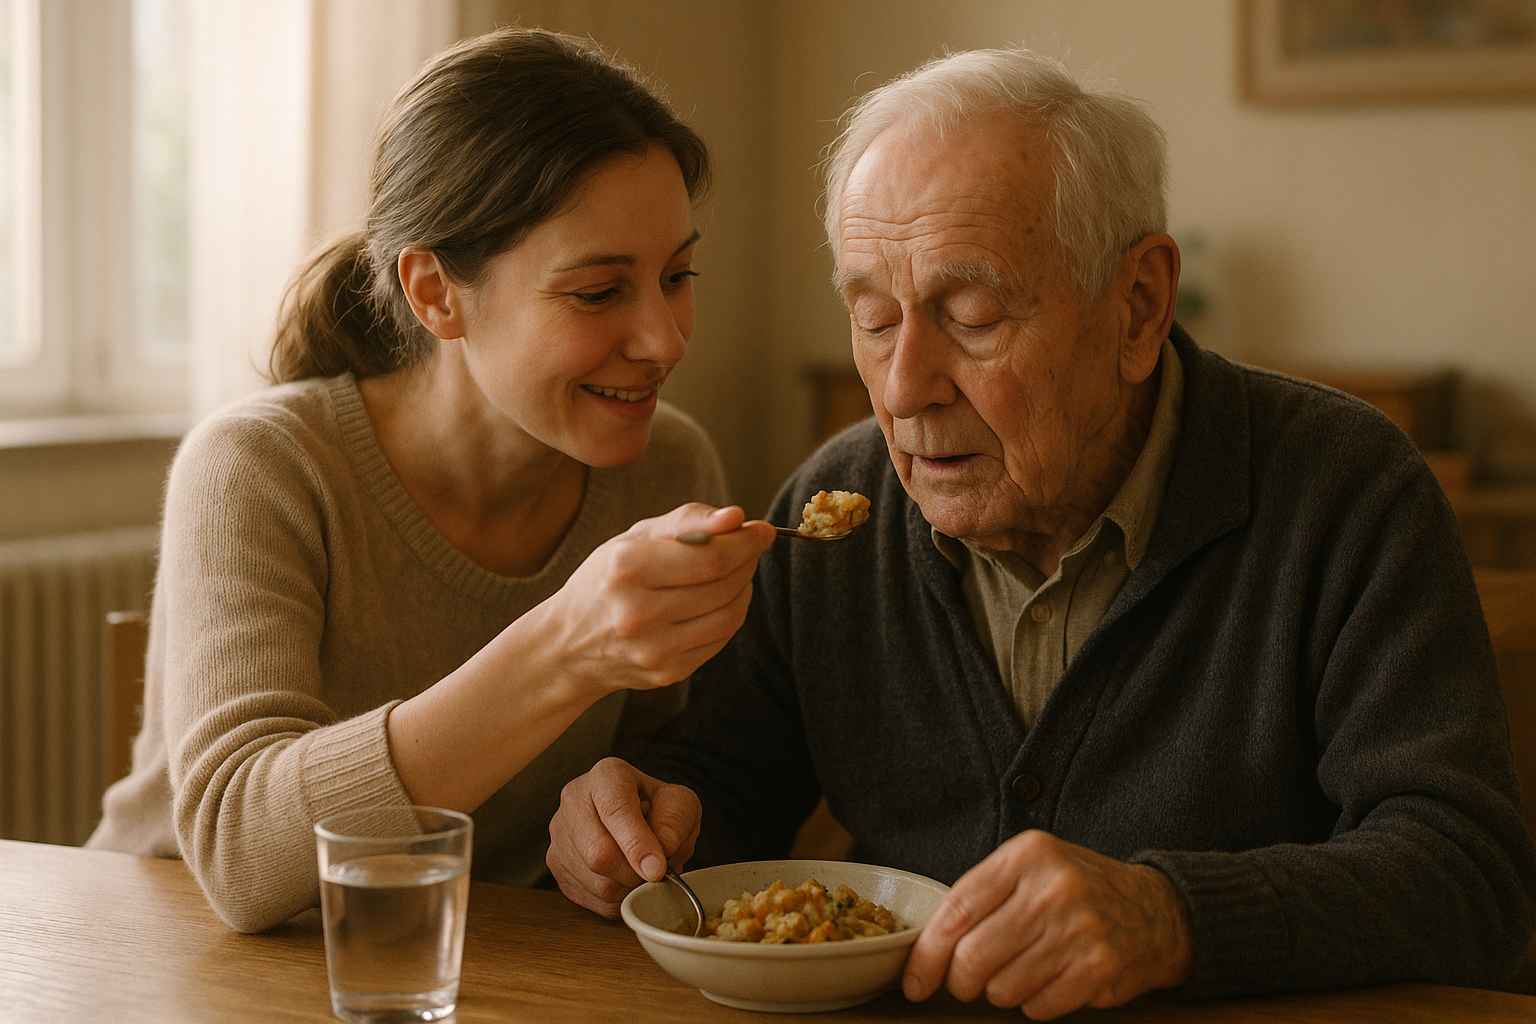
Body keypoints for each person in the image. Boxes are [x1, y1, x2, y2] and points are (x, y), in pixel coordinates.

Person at [547, 47, 1536, 1017]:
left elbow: (1469, 872)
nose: (902, 389)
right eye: (875, 319)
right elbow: (732, 784)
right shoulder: (837, 505)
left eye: (972, 315)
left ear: (1138, 307)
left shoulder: (1344, 490)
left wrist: (1170, 916)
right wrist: (640, 822)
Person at [87, 28, 775, 933]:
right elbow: (242, 856)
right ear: (435, 293)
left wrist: (631, 806)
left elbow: (651, 761)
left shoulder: (669, 466)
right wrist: (566, 645)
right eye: (600, 292)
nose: (666, 338)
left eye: (677, 275)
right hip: (178, 962)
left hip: (474, 962)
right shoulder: (260, 468)